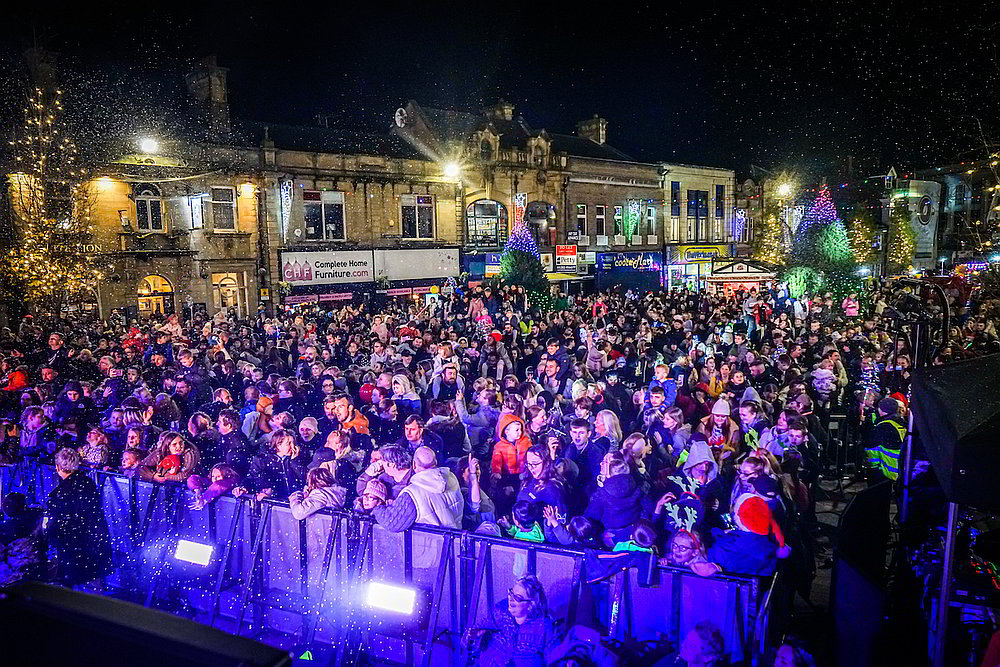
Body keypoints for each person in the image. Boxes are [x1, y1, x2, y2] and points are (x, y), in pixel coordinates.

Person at [46, 448, 113, 588]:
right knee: (94, 584)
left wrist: (51, 538)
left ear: (58, 467)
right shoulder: (89, 483)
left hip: (74, 545)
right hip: (94, 542)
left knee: (74, 585)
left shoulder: (59, 495)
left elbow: (57, 524)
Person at [470, 575, 561, 667]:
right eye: (511, 593)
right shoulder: (499, 612)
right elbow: (468, 640)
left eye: (517, 598)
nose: (510, 599)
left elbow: (556, 659)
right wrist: (473, 637)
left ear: (530, 605)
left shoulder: (544, 627)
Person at [371, 445, 464, 532]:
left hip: (430, 545)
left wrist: (377, 507)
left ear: (414, 464)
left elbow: (391, 523)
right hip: (455, 539)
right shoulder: (451, 477)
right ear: (435, 462)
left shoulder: (412, 493)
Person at [865, 396, 906, 482]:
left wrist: (872, 468)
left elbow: (873, 450)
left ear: (881, 409)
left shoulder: (884, 426)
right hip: (903, 470)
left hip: (887, 472)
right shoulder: (902, 422)